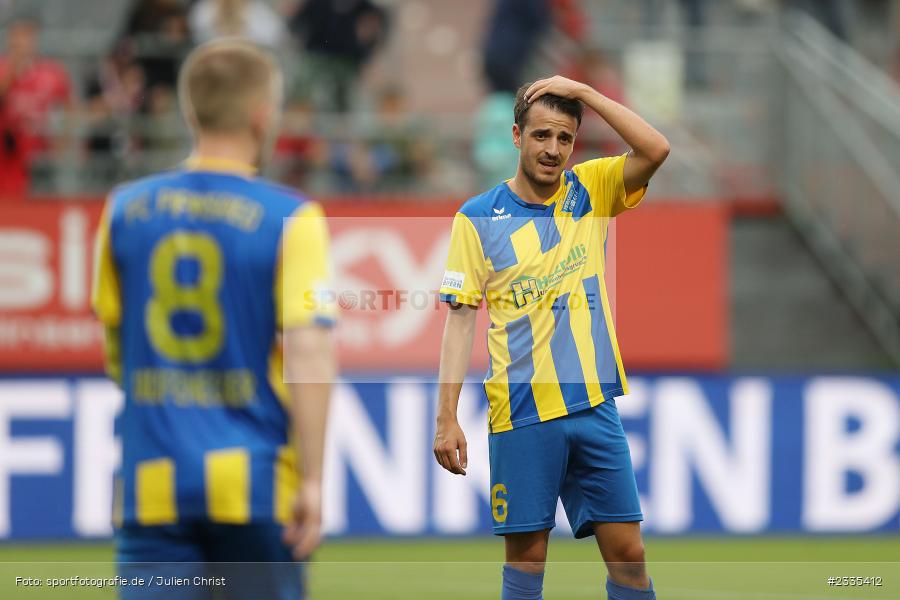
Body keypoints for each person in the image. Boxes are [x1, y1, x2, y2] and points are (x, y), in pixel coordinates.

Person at [91, 39, 336, 599]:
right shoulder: (292, 217)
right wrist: (315, 481)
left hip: (150, 482)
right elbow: (310, 351)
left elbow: (116, 350)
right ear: (262, 114)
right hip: (253, 484)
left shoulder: (124, 209)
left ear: (188, 111)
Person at [434, 75, 669, 600]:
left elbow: (657, 148)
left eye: (565, 138)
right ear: (516, 136)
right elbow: (460, 319)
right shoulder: (477, 219)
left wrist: (584, 94)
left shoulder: (593, 190)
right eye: (542, 135)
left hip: (592, 405)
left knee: (630, 555)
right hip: (521, 412)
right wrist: (446, 417)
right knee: (527, 562)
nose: (553, 149)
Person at [0, 15, 73, 201]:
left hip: (41, 156)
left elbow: (68, 107)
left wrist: (63, 139)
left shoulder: (52, 72)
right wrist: (13, 70)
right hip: (8, 156)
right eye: (17, 37)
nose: (21, 42)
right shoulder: (3, 69)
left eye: (26, 36)